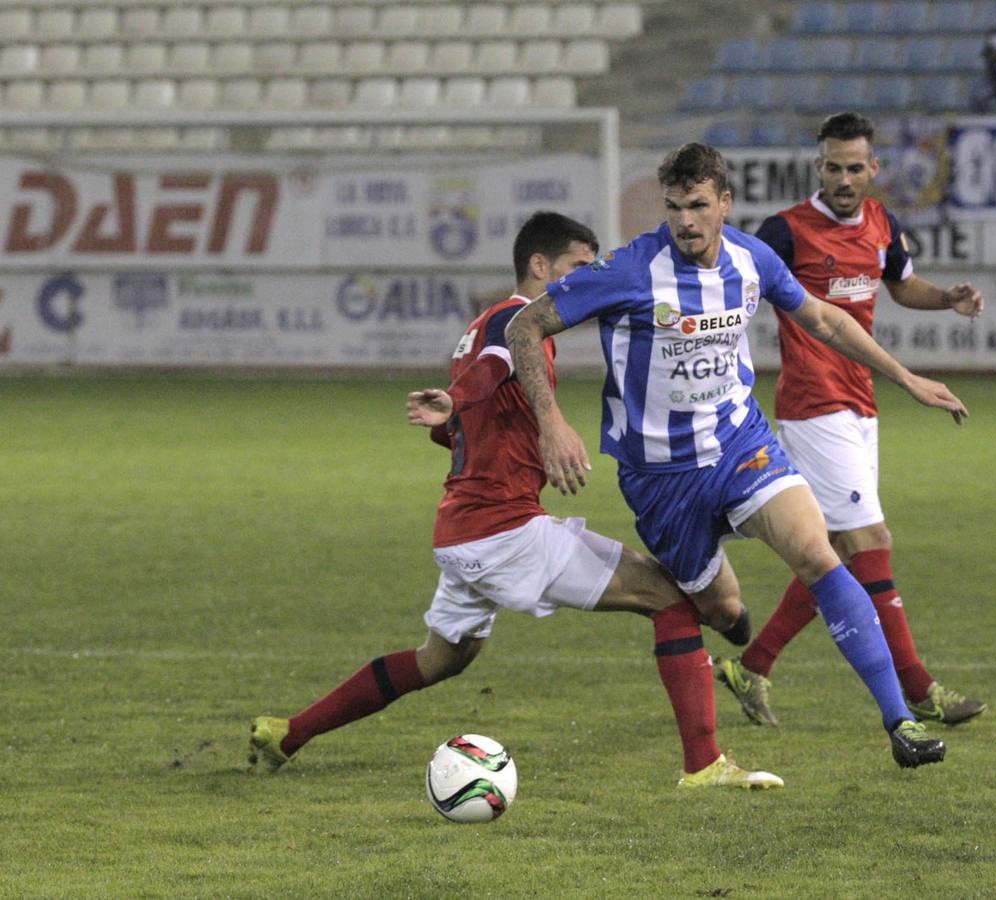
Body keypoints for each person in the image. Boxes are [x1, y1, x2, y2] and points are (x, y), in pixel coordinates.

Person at [248, 211, 782, 790]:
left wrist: (456, 413)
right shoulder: (511, 323)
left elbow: (470, 413)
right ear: (538, 265)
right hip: (503, 530)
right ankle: (704, 765)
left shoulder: (479, 324)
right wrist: (458, 401)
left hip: (463, 531)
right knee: (670, 599)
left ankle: (288, 732)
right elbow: (491, 369)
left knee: (441, 660)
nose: (586, 281)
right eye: (578, 267)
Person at [505, 143, 969, 769]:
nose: (686, 221)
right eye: (674, 208)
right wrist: (550, 422)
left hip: (740, 445)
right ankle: (739, 641)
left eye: (698, 205)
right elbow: (523, 326)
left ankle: (900, 723)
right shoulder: (630, 268)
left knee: (818, 553)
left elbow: (825, 321)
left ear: (724, 203)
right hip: (660, 478)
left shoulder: (753, 259)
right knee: (720, 608)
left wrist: (907, 377)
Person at [708, 112, 987, 730]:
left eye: (854, 167)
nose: (843, 178)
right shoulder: (784, 232)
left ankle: (752, 665)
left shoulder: (882, 224)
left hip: (859, 404)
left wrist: (947, 298)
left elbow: (900, 284)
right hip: (813, 407)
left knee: (832, 551)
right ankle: (918, 689)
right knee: (872, 544)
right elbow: (729, 284)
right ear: (819, 167)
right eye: (832, 167)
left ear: (872, 169)